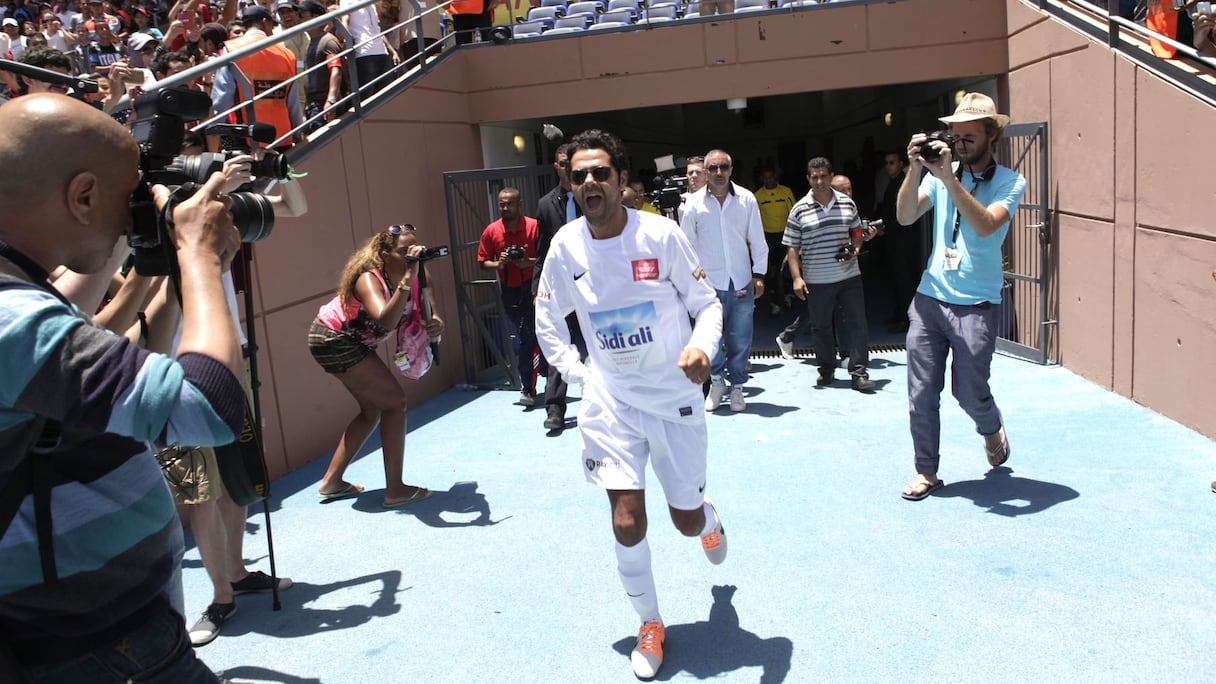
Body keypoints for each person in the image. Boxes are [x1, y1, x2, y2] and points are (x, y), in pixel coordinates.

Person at [0, 93, 245, 682]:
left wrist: (149, 265)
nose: (132, 214)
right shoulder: (12, 317)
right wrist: (200, 258)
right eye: (126, 197)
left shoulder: (18, 296)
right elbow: (207, 408)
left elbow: (82, 356)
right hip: (97, 646)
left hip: (77, 635)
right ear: (83, 196)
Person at [533, 128, 726, 681]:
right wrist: (580, 375)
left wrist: (699, 347)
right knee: (626, 518)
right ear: (570, 185)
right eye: (579, 175)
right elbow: (548, 321)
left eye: (600, 173)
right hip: (611, 403)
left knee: (685, 521)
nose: (589, 182)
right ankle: (650, 622)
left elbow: (707, 304)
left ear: (621, 180)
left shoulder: (661, 235)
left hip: (673, 400)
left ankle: (708, 516)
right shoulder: (565, 245)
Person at [895, 92, 1027, 501]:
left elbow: (986, 226)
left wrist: (949, 179)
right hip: (930, 298)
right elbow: (904, 215)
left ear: (991, 136)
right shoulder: (940, 173)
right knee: (921, 392)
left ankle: (990, 427)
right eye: (956, 136)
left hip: (977, 305)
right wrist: (916, 169)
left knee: (968, 392)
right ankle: (926, 470)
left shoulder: (1010, 182)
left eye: (969, 136)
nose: (960, 143)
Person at [308, 223, 444, 508]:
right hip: (332, 338)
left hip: (349, 342)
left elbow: (432, 311)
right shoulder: (369, 279)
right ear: (384, 254)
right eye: (404, 252)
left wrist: (436, 324)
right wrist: (408, 276)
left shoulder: (418, 273)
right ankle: (395, 490)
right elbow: (385, 320)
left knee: (372, 410)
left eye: (414, 249)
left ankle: (332, 482)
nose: (412, 255)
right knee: (394, 403)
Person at [679, 148, 766, 413]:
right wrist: (692, 280)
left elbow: (759, 241)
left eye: (723, 168)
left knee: (740, 338)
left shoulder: (747, 200)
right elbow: (686, 247)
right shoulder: (693, 204)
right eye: (713, 168)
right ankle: (717, 382)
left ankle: (737, 387)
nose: (718, 173)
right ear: (705, 171)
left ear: (731, 169)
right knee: (711, 339)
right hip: (708, 285)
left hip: (740, 281)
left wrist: (759, 274)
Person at [783, 157, 875, 392]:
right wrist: (797, 277)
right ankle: (826, 369)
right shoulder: (798, 209)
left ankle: (859, 372)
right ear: (808, 178)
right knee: (821, 327)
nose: (820, 181)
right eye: (814, 176)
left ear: (831, 176)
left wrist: (855, 249)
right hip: (817, 279)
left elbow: (856, 231)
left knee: (857, 324)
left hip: (849, 277)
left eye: (824, 176)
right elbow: (792, 247)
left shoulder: (847, 203)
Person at [533, 143, 584, 432]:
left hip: (591, 285)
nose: (566, 167)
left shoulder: (591, 196)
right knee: (558, 347)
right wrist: (536, 291)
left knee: (594, 345)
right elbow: (541, 251)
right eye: (562, 163)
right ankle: (555, 408)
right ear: (556, 166)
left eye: (570, 163)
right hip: (558, 288)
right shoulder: (545, 204)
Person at [477, 187, 541, 406]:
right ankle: (540, 369)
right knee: (528, 338)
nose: (505, 207)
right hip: (510, 292)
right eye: (502, 204)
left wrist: (528, 262)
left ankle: (528, 389)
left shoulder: (534, 226)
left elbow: (548, 257)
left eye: (509, 203)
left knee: (529, 337)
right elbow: (483, 261)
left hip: (536, 288)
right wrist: (500, 264)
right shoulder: (492, 231)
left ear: (519, 203)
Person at [754, 164, 796, 316]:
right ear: (761, 179)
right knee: (771, 271)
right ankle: (775, 300)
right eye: (765, 179)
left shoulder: (786, 192)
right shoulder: (757, 196)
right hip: (767, 237)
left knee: (786, 269)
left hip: (785, 235)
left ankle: (787, 295)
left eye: (771, 178)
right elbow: (755, 219)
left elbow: (793, 213)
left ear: (775, 178)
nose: (769, 181)